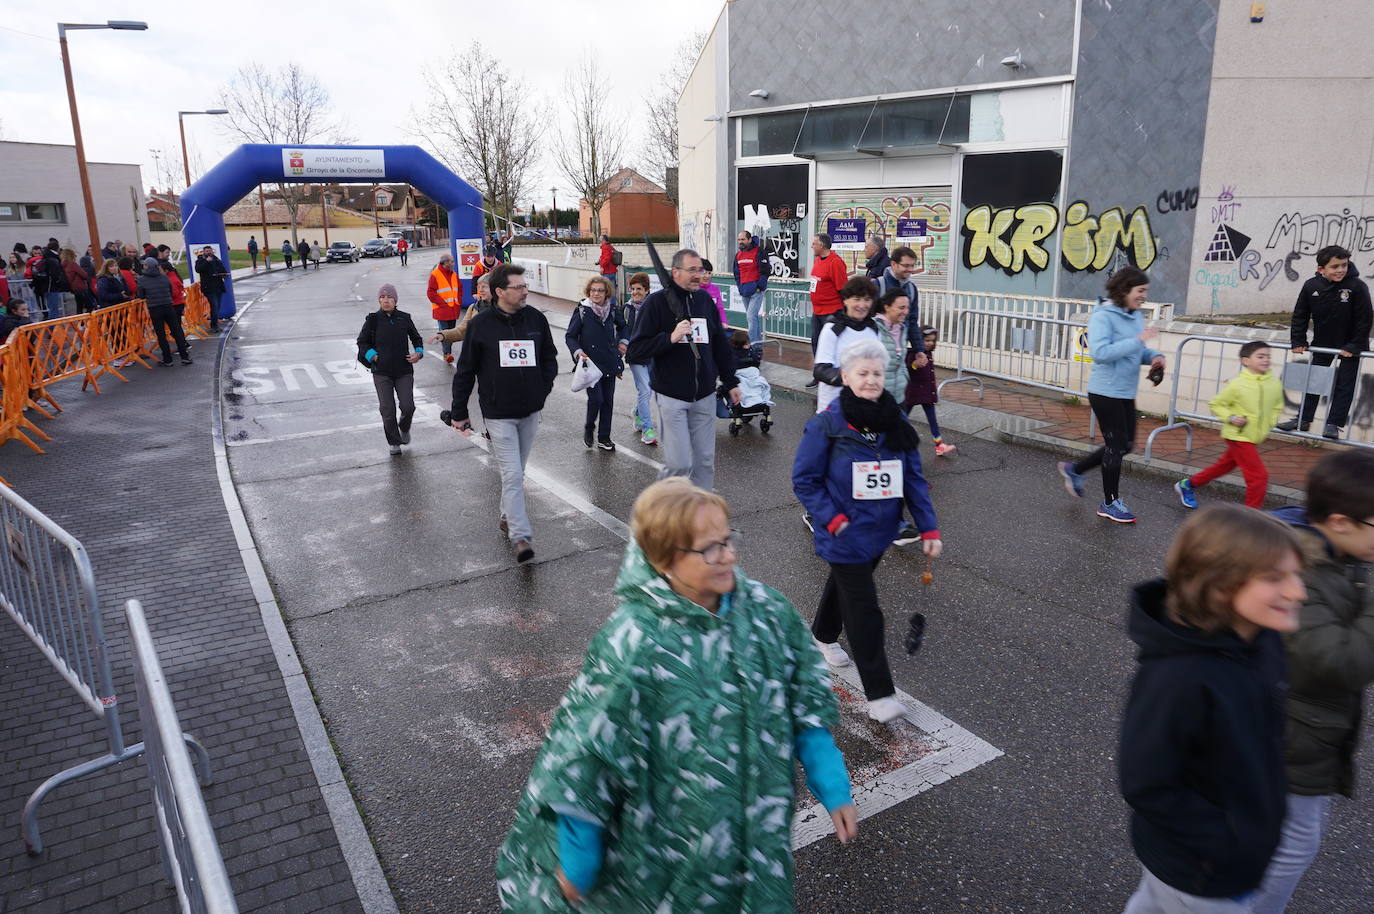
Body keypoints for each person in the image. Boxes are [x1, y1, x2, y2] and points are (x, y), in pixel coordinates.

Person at [496, 477, 857, 910]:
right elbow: (588, 756)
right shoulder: (633, 643)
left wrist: (832, 783)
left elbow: (804, 703)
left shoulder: (767, 613)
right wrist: (580, 858)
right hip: (674, 846)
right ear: (663, 558)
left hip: (760, 831)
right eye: (709, 548)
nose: (728, 555)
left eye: (728, 539)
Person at [1118, 504, 1304, 914]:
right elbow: (1144, 779)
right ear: (1219, 586)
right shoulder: (1179, 677)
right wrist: (1229, 843)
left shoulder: (1260, 637)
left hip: (1207, 858)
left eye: (1296, 574)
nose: (1298, 591)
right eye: (1276, 579)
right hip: (1205, 871)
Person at [792, 337, 942, 722]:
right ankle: (880, 695)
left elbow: (914, 481)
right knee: (864, 609)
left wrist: (929, 529)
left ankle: (823, 634)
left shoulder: (896, 422)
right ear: (846, 376)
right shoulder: (826, 424)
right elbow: (805, 481)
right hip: (842, 533)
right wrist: (834, 519)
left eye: (877, 373)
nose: (871, 380)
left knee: (844, 589)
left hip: (880, 532)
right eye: (863, 373)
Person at [1251, 450, 1374, 912]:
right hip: (1291, 734)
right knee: (1294, 844)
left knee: (1300, 833)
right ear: (1340, 520)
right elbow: (1339, 661)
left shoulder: (1337, 552)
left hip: (1309, 733)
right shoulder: (1303, 571)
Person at [449, 264, 558, 564]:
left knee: (517, 472)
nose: (525, 291)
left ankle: (506, 515)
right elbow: (466, 370)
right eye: (519, 287)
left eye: (525, 286)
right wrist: (459, 412)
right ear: (499, 292)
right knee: (512, 473)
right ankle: (521, 537)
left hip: (530, 411)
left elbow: (549, 358)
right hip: (498, 414)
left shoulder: (536, 319)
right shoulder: (481, 325)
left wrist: (542, 390)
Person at [1056, 266, 1165, 524]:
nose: (1143, 296)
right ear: (1125, 290)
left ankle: (1076, 470)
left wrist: (1155, 357)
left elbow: (1135, 350)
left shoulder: (1134, 316)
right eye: (1140, 291)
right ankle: (1110, 502)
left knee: (1125, 445)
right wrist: (1139, 340)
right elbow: (1101, 353)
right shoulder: (1103, 316)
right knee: (1116, 446)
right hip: (1105, 392)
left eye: (1145, 291)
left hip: (1125, 391)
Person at [626, 249, 741, 491]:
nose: (698, 275)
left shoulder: (704, 301)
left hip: (705, 395)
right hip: (671, 396)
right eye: (692, 270)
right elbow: (636, 350)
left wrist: (731, 381)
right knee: (679, 464)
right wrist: (671, 337)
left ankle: (698, 522)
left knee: (704, 463)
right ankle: (655, 519)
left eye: (700, 270)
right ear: (676, 272)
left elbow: (720, 344)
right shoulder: (655, 303)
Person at [1277, 244, 1372, 440]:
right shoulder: (1311, 285)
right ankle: (1303, 418)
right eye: (1335, 267)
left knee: (1344, 386)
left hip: (1351, 347)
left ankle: (1333, 424)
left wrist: (1354, 345)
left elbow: (1365, 319)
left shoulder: (1357, 286)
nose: (1340, 270)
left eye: (1344, 265)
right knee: (1314, 382)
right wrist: (1298, 339)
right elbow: (1300, 315)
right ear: (1321, 269)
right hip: (1323, 343)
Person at [1175, 341, 1282, 511]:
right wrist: (1231, 417)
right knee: (1259, 477)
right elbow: (1216, 404)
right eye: (1260, 356)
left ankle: (1187, 484)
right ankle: (1250, 515)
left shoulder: (1274, 383)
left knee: (1223, 466)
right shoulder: (1237, 384)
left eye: (1268, 356)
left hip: (1254, 436)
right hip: (1238, 436)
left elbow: (1277, 405)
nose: (1265, 360)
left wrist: (1270, 422)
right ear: (1245, 361)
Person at [357, 283, 423, 456]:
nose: (385, 300)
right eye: (382, 297)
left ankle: (404, 426)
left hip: (403, 370)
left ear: (395, 300)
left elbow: (417, 339)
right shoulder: (372, 319)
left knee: (408, 407)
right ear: (379, 300)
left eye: (389, 297)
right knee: (387, 408)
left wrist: (418, 353)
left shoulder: (404, 318)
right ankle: (394, 442)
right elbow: (362, 342)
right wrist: (372, 355)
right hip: (381, 371)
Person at [567, 275, 627, 452]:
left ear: (606, 292)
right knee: (597, 399)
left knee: (608, 401)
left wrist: (623, 342)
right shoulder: (582, 311)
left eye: (600, 290)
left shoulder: (613, 310)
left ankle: (604, 437)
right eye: (593, 290)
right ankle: (589, 427)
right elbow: (570, 336)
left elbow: (624, 326)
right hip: (591, 364)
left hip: (609, 361)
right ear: (589, 291)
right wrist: (578, 353)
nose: (596, 293)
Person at [812, 277, 881, 414]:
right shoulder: (832, 329)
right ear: (845, 300)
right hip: (833, 409)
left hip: (863, 409)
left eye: (867, 300)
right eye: (856, 299)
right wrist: (852, 378)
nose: (862, 305)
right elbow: (820, 370)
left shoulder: (874, 329)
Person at [808, 233, 850, 377]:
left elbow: (843, 288)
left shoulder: (835, 262)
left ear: (822, 245)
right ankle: (818, 375)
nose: (812, 246)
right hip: (817, 311)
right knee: (815, 343)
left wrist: (844, 312)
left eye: (814, 243)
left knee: (830, 345)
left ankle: (833, 374)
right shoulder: (818, 260)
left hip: (831, 311)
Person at [623, 272, 657, 446]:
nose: (635, 292)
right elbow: (622, 332)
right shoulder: (627, 309)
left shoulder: (653, 307)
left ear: (647, 290)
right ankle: (647, 429)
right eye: (633, 289)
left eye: (639, 289)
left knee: (649, 390)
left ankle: (637, 412)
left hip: (652, 354)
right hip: (635, 356)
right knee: (644, 390)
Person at [137, 257, 191, 367]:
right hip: (168, 306)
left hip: (155, 308)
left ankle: (168, 359)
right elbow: (170, 290)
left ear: (146, 266)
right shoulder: (164, 277)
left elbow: (141, 295)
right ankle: (184, 357)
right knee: (176, 331)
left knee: (161, 334)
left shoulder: (141, 279)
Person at [874, 245, 924, 350]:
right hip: (878, 350)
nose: (910, 269)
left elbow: (912, 321)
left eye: (912, 265)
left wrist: (919, 350)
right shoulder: (878, 285)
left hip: (900, 351)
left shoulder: (911, 288)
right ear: (893, 264)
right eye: (906, 265)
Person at [733, 230, 769, 356]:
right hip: (744, 291)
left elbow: (765, 271)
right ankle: (757, 346)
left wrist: (759, 287)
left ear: (749, 240)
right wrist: (740, 287)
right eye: (739, 240)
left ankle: (752, 346)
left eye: (743, 239)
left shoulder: (759, 252)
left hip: (756, 292)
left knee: (751, 317)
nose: (740, 242)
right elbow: (736, 273)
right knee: (752, 319)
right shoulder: (738, 255)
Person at [426, 253, 463, 364]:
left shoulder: (454, 274)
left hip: (453, 310)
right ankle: (447, 354)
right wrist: (442, 304)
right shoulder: (435, 274)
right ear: (445, 263)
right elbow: (430, 293)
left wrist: (458, 302)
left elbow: (460, 289)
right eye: (451, 261)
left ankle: (448, 353)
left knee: (451, 334)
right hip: (442, 311)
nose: (453, 263)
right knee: (444, 333)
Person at [194, 246, 229, 332]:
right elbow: (198, 269)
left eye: (210, 251)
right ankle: (213, 326)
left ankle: (215, 324)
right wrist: (206, 261)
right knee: (214, 305)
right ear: (203, 252)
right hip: (209, 287)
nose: (209, 252)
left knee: (217, 306)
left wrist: (223, 274)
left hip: (218, 286)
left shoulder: (216, 260)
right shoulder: (200, 260)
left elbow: (222, 269)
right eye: (207, 251)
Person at [59, 248, 91, 316]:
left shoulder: (63, 265)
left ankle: (81, 324)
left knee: (79, 307)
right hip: (80, 287)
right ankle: (90, 322)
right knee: (89, 306)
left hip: (73, 288)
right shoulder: (73, 264)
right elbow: (84, 275)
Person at [699, 258, 726, 325]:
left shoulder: (715, 289)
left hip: (713, 324)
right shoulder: (692, 289)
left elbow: (720, 308)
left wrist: (723, 321)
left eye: (709, 273)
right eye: (704, 273)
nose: (707, 276)